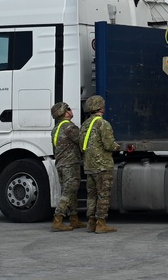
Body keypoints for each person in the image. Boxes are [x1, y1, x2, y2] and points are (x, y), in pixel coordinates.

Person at [81, 94, 120, 233]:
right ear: (101, 108)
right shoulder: (103, 124)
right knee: (103, 195)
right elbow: (109, 145)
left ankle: (91, 223)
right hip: (102, 166)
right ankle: (101, 224)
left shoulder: (85, 124)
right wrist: (118, 147)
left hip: (89, 166)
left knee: (91, 196)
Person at [49, 102, 84, 232]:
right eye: (68, 108)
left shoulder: (56, 129)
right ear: (64, 113)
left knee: (71, 191)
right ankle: (58, 219)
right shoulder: (69, 127)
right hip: (70, 164)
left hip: (61, 164)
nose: (70, 110)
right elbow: (82, 140)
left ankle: (74, 219)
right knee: (69, 192)